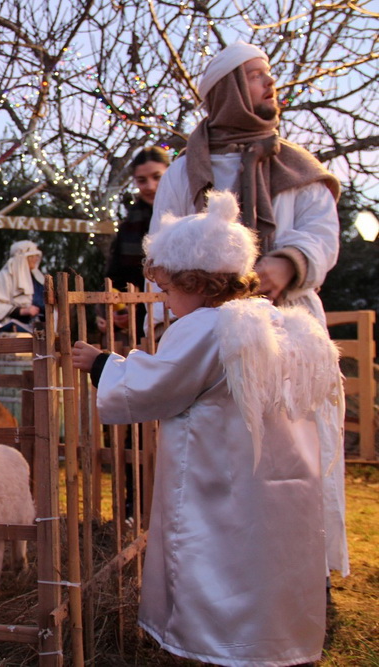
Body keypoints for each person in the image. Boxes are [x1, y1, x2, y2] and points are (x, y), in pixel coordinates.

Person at [72, 191, 340, 666]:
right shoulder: (277, 323)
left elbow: (159, 384)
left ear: (194, 281)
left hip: (221, 479)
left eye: (168, 290)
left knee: (218, 561)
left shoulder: (206, 328)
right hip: (278, 483)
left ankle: (216, 645)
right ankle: (277, 644)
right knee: (268, 564)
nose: (166, 301)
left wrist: (101, 363)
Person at [149, 41, 347, 578]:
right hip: (211, 332)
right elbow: (163, 245)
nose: (270, 83)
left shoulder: (297, 167)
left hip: (289, 327)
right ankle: (222, 576)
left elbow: (321, 232)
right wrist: (178, 315)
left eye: (268, 73)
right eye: (256, 75)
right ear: (229, 91)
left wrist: (285, 264)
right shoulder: (184, 173)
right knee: (223, 454)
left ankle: (302, 573)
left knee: (295, 448)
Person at [97, 146, 170, 338]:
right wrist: (117, 311)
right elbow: (116, 278)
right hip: (144, 323)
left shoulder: (187, 212)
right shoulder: (130, 224)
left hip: (185, 316)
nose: (150, 186)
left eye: (157, 177)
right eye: (142, 180)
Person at [0, 240, 45, 333]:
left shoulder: (38, 279)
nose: (35, 259)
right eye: (32, 256)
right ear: (21, 258)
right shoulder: (4, 276)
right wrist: (24, 310)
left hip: (39, 329)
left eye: (36, 256)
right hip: (15, 330)